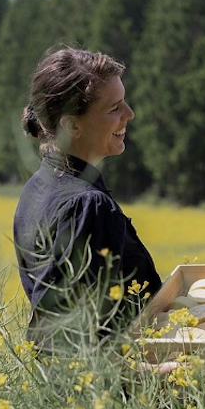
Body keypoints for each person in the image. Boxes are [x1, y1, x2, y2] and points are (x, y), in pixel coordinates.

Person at [13, 47, 162, 356]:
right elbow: (64, 346)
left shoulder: (37, 188)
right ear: (72, 126)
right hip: (110, 401)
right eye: (114, 108)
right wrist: (155, 374)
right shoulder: (87, 206)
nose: (129, 114)